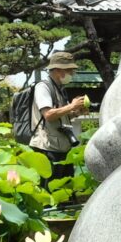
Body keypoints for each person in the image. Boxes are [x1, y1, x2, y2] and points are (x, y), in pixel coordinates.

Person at [30, 51, 86, 182]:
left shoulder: (59, 89)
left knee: (65, 191)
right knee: (50, 193)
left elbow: (61, 116)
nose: (72, 74)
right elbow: (48, 115)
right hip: (47, 148)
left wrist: (77, 111)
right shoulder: (43, 87)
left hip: (61, 147)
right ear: (58, 70)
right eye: (70, 70)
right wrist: (72, 106)